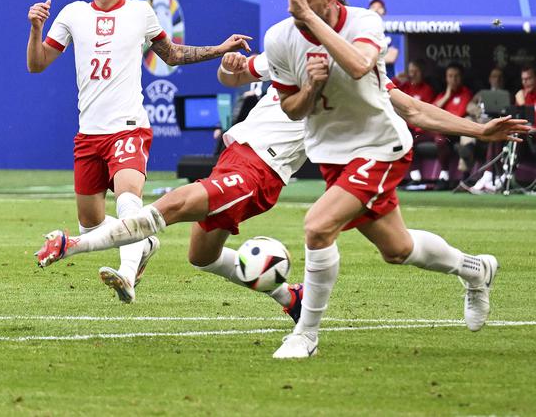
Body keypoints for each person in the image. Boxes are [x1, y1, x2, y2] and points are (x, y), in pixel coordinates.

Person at [36, 51, 526, 319]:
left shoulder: (359, 70)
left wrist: (480, 129)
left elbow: (416, 110)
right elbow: (236, 75)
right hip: (235, 153)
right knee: (201, 257)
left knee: (175, 203)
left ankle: (78, 243)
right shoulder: (289, 50)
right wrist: (231, 66)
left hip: (262, 170)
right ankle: (473, 269)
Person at [266, 0, 498, 359]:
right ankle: (476, 270)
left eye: (306, 6)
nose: (297, 18)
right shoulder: (280, 38)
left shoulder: (364, 24)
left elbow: (359, 67)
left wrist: (478, 130)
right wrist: (310, 85)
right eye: (293, 9)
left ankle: (306, 334)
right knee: (398, 250)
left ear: (332, 0)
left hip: (380, 149)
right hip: (332, 157)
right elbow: (292, 108)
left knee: (318, 227)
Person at [25, 0, 251, 302]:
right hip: (89, 133)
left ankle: (127, 274)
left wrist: (219, 49)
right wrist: (36, 29)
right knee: (91, 223)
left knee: (128, 198)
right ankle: (143, 243)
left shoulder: (139, 12)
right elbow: (36, 65)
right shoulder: (71, 14)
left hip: (128, 126)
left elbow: (173, 54)